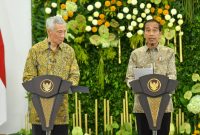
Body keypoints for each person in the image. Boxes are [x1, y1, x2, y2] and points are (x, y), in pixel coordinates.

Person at [23, 16, 80, 135]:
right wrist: (44, 88)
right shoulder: (35, 50)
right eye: (59, 32)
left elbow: (75, 75)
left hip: (61, 111)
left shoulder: (69, 51)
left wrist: (65, 86)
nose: (63, 35)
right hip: (39, 112)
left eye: (64, 31)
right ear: (49, 31)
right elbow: (27, 77)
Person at [125, 19, 176, 135]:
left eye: (155, 30)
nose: (151, 33)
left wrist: (162, 88)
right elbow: (129, 77)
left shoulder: (169, 52)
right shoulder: (136, 54)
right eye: (148, 30)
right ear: (144, 33)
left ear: (160, 33)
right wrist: (139, 86)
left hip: (164, 103)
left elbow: (172, 75)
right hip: (142, 104)